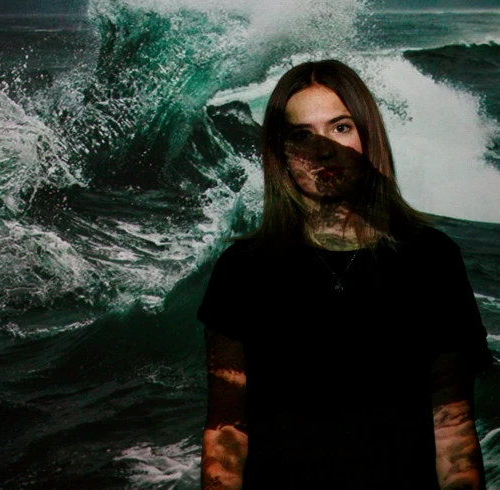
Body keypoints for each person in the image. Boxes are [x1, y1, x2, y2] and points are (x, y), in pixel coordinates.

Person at [198, 60, 493, 489]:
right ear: (281, 152)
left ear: (368, 136)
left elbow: (451, 426)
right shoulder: (244, 269)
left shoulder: (431, 259)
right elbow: (227, 429)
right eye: (302, 135)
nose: (324, 150)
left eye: (340, 127)